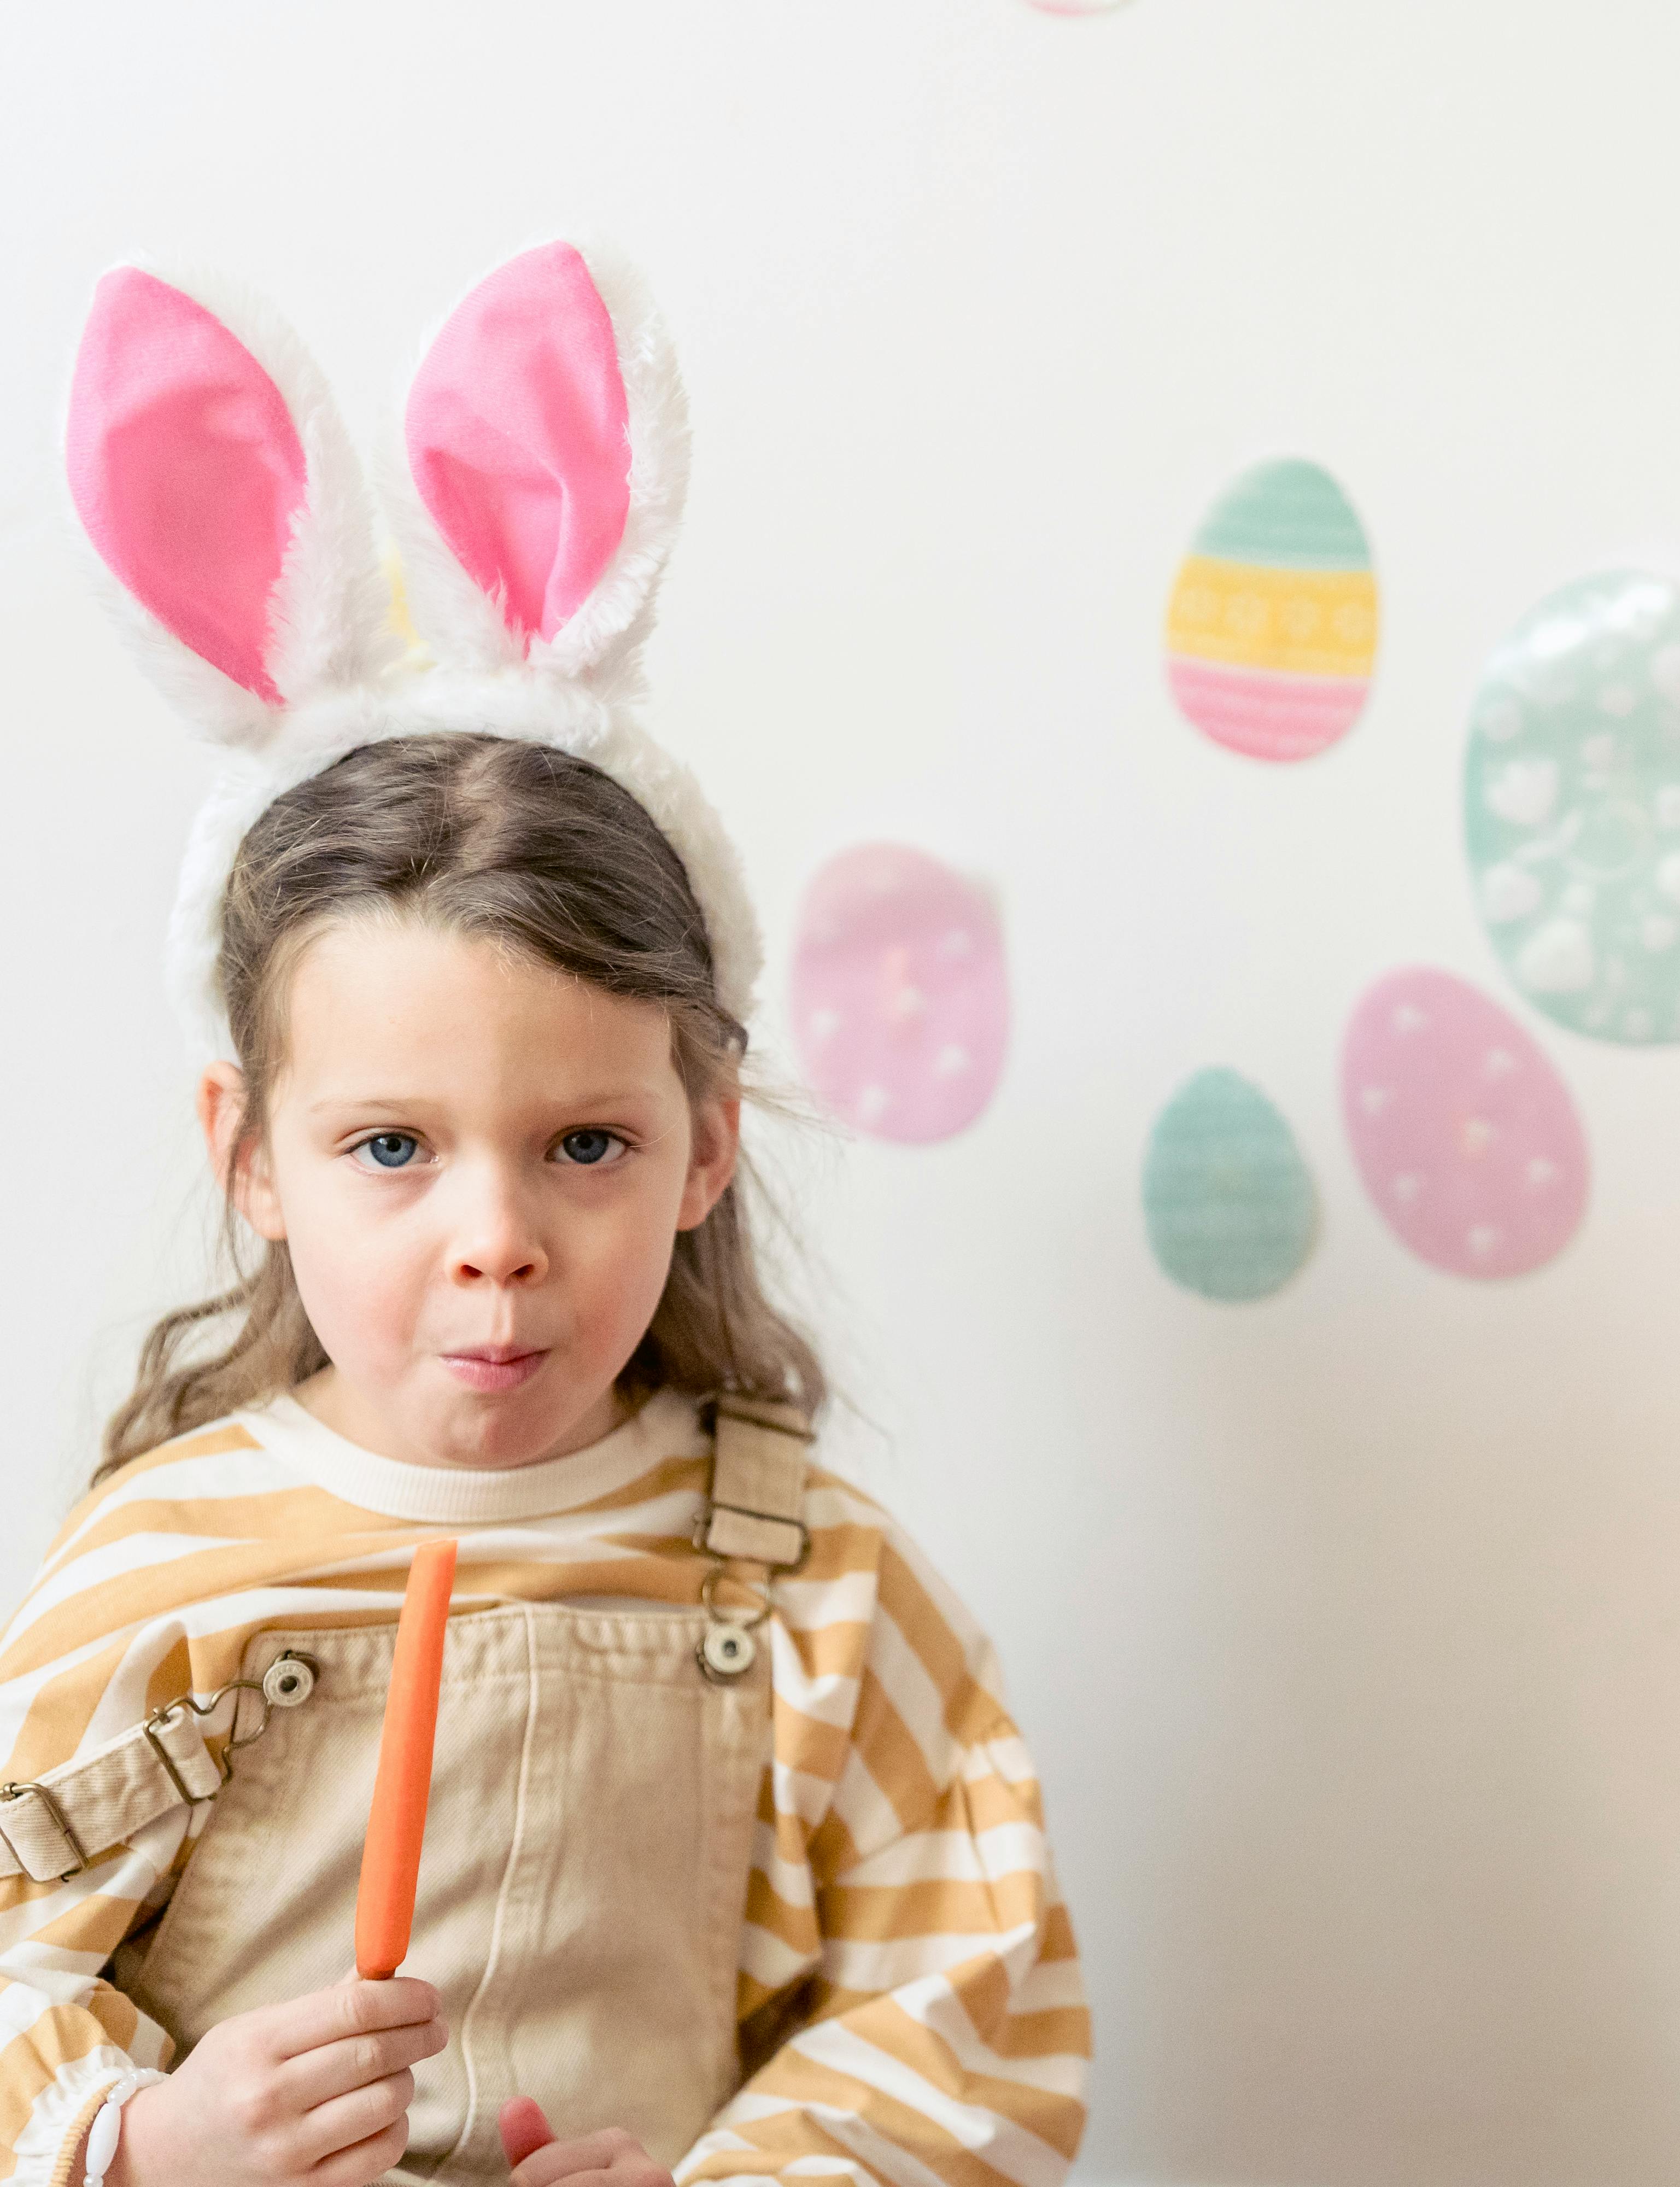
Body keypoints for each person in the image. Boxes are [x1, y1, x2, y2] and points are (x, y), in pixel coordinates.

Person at [0, 245, 1087, 2184]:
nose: (493, 1239)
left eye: (582, 1144)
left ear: (707, 1143)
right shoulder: (158, 1566)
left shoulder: (813, 1581)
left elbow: (965, 2012)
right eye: (393, 1149)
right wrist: (139, 2144)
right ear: (251, 1156)